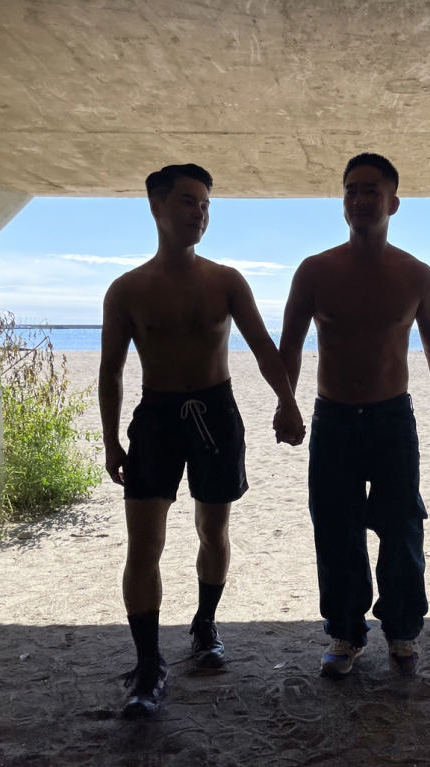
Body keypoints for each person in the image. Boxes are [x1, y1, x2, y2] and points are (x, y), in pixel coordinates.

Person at [99, 163, 306, 718]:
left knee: (213, 530)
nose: (200, 213)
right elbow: (111, 371)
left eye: (206, 204)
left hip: (217, 413)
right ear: (157, 206)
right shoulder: (127, 289)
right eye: (189, 201)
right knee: (144, 544)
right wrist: (111, 439)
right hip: (157, 417)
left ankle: (204, 624)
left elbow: (263, 347)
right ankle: (148, 665)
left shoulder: (226, 281)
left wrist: (287, 401)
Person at [279, 152, 430, 678]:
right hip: (333, 419)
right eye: (351, 191)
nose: (360, 199)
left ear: (393, 203)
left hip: (391, 420)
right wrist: (286, 403)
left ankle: (402, 632)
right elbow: (290, 345)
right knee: (336, 531)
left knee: (402, 529)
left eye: (371, 191)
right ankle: (345, 633)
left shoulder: (416, 275)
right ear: (343, 202)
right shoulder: (315, 271)